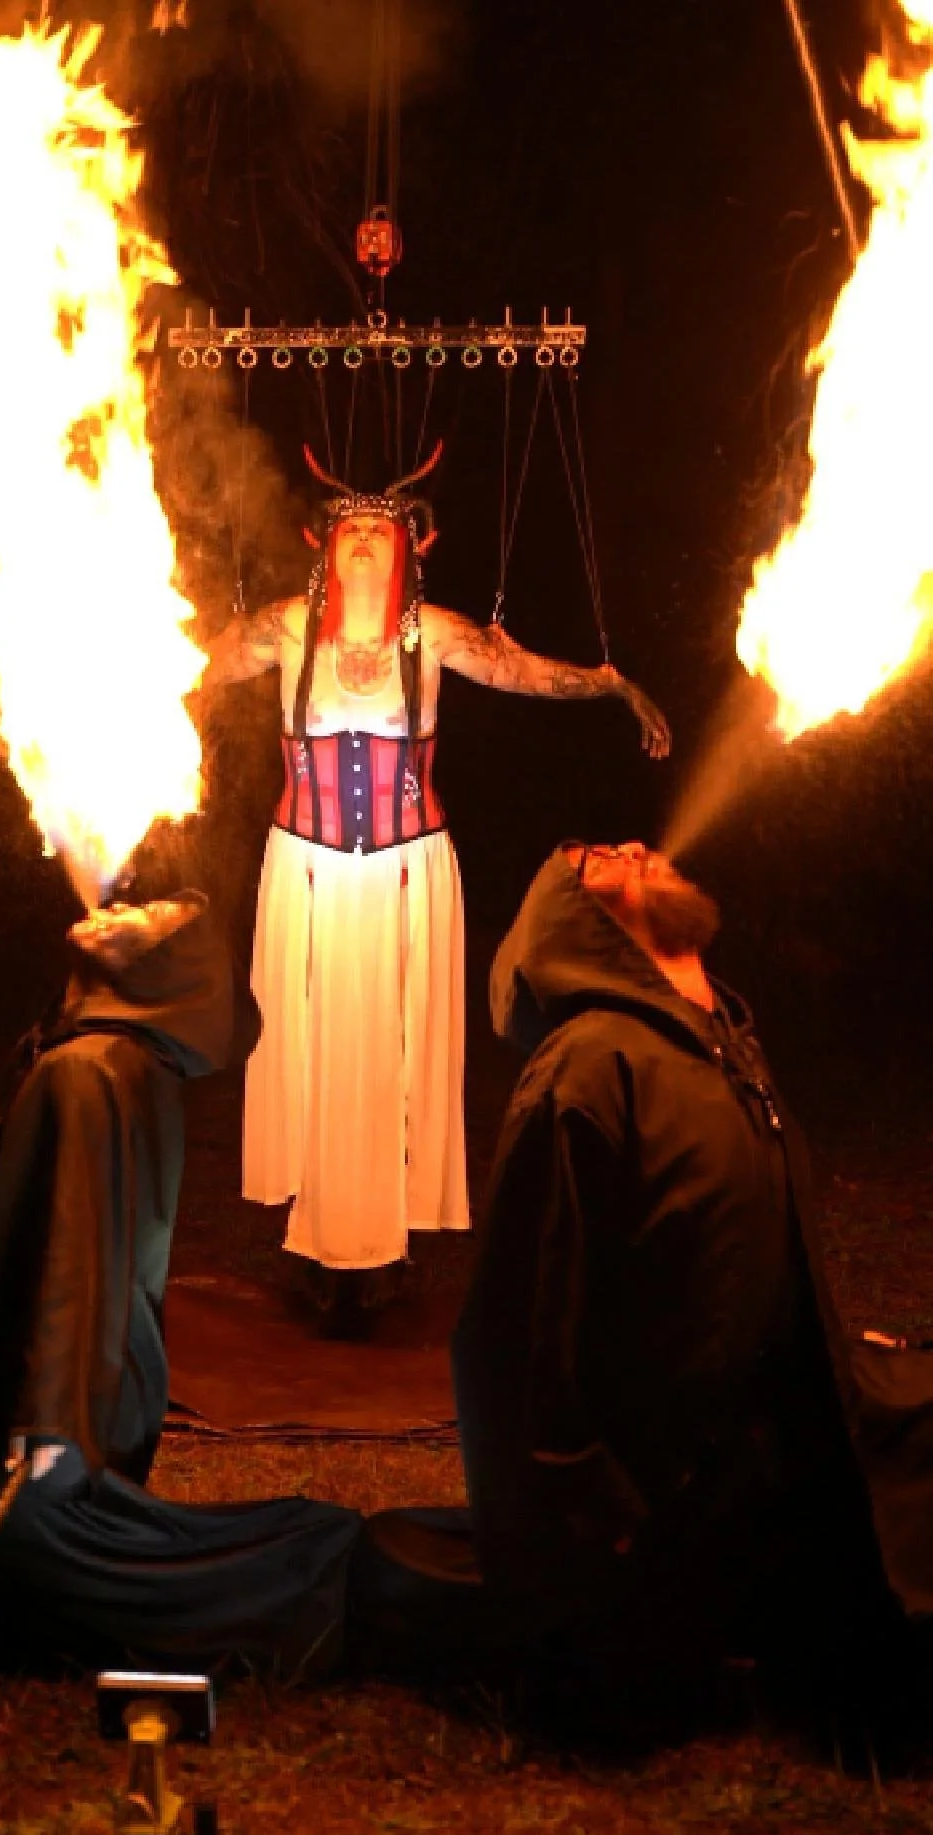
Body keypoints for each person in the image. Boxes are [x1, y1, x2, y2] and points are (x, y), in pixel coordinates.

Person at [350, 843, 931, 1721]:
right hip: (667, 1525)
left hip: (774, 1456)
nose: (632, 846)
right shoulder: (592, 1070)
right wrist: (590, 1545)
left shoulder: (721, 1047)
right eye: (592, 860)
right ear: (576, 925)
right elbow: (520, 1349)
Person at [198, 463, 672, 1317]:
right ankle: (317, 1243)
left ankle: (383, 1246)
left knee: (389, 1051)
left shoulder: (440, 636)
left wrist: (613, 684)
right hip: (304, 869)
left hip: (405, 868)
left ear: (414, 548)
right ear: (326, 546)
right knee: (310, 1046)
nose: (370, 536)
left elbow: (530, 672)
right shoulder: (282, 630)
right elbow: (183, 670)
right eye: (352, 526)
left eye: (386, 526)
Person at [0, 891, 361, 1679]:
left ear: (170, 973)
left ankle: (22, 1570)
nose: (135, 901)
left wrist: (51, 1427)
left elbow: (76, 1259)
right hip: (21, 1361)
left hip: (46, 1394)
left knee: (30, 1548)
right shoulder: (98, 1053)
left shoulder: (90, 1071)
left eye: (164, 915)